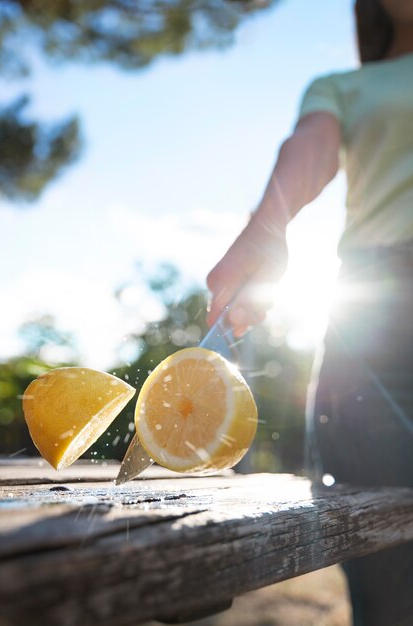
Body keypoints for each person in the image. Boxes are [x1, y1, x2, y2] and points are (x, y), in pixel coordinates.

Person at [205, 1, 413, 625]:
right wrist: (267, 226)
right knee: (387, 575)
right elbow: (313, 146)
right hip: (377, 327)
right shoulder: (343, 86)